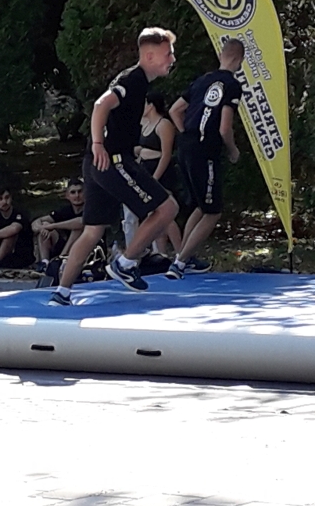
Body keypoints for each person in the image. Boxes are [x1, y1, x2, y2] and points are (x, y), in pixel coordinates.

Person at [48, 27, 180, 306]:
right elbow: (100, 105)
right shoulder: (133, 80)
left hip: (97, 162)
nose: (172, 59)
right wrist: (99, 144)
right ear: (149, 56)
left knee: (93, 230)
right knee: (168, 208)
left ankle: (62, 292)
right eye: (168, 54)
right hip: (111, 160)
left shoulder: (139, 83)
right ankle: (126, 263)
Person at [166, 38, 244, 280]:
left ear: (221, 56)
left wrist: (186, 133)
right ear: (239, 60)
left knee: (201, 206)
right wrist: (232, 150)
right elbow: (224, 127)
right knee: (213, 212)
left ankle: (184, 256)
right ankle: (179, 263)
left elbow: (174, 110)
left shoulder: (202, 80)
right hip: (206, 150)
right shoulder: (232, 85)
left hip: (187, 146)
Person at [128, 90, 182, 256]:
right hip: (145, 168)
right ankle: (160, 253)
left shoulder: (163, 124)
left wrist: (156, 178)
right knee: (154, 214)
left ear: (151, 105)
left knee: (167, 213)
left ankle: (181, 253)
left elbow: (166, 154)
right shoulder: (145, 124)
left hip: (160, 171)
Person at [31, 177, 85, 273]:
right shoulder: (65, 210)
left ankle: (60, 260)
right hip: (65, 244)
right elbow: (36, 222)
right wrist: (41, 228)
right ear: (67, 195)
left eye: (80, 192)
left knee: (76, 229)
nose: (77, 196)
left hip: (86, 247)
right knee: (45, 225)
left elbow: (81, 222)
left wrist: (52, 226)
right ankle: (45, 263)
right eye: (73, 192)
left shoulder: (90, 209)